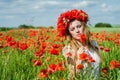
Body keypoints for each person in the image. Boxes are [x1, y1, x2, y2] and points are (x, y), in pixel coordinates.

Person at [57, 9, 102, 80]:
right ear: (69, 33)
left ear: (84, 26)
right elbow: (72, 76)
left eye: (79, 26)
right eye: (72, 29)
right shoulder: (68, 49)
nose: (77, 31)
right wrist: (79, 60)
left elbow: (98, 69)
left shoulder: (94, 44)